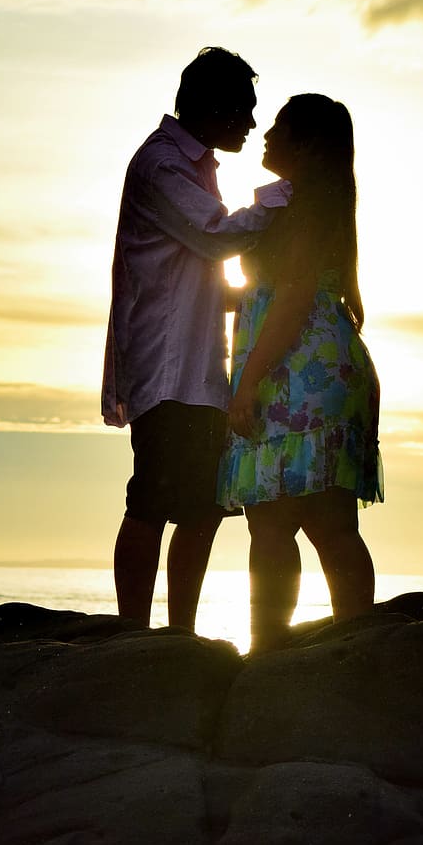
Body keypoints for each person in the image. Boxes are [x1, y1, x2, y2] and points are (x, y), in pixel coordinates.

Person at [102, 47, 290, 631]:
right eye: (245, 110)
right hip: (166, 365)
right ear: (213, 105)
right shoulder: (163, 165)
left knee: (203, 507)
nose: (253, 124)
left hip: (197, 366)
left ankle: (177, 634)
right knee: (153, 501)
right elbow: (215, 236)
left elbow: (201, 269)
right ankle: (134, 632)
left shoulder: (191, 165)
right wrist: (285, 195)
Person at [217, 93, 383, 652]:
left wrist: (248, 382)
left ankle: (269, 654)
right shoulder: (319, 203)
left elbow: (288, 300)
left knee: (273, 527)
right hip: (323, 370)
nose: (267, 133)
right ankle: (354, 649)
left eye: (282, 127)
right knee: (331, 528)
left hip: (296, 374)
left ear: (307, 144)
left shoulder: (302, 210)